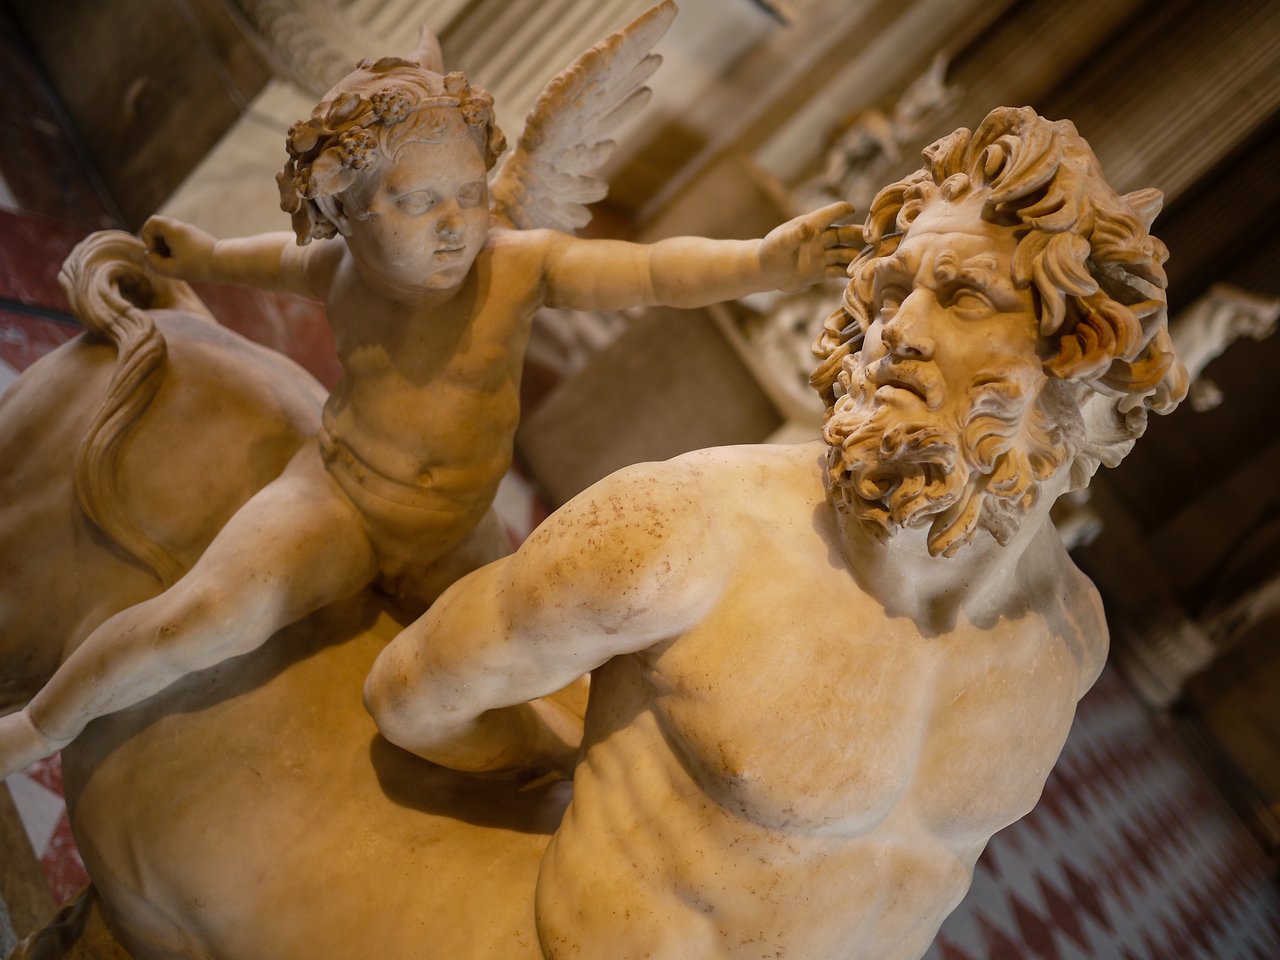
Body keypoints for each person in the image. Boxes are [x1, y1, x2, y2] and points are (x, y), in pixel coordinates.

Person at [363, 106, 1187, 958]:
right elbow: (414, 696)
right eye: (895, 289)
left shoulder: (1071, 639)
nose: (896, 331)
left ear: (1082, 373)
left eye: (965, 296)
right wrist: (574, 765)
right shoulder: (674, 532)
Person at [0, 52, 857, 778]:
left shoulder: (517, 266)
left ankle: (542, 790)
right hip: (343, 498)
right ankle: (39, 725)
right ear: (341, 212)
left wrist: (763, 260)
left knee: (540, 655)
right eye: (418, 204)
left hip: (459, 529)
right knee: (206, 617)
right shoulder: (336, 269)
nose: (456, 227)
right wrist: (207, 255)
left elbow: (654, 274)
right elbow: (266, 260)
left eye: (471, 195)